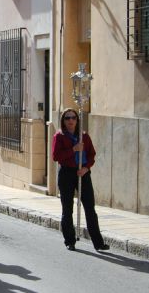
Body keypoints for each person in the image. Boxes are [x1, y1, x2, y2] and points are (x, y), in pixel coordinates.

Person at [52, 108, 109, 252]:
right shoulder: (59, 136)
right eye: (67, 118)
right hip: (66, 173)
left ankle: (98, 243)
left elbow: (91, 154)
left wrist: (86, 168)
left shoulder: (84, 136)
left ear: (77, 120)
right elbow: (56, 156)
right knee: (67, 208)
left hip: (83, 173)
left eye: (73, 118)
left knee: (90, 208)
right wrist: (73, 149)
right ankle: (69, 241)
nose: (71, 120)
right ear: (63, 121)